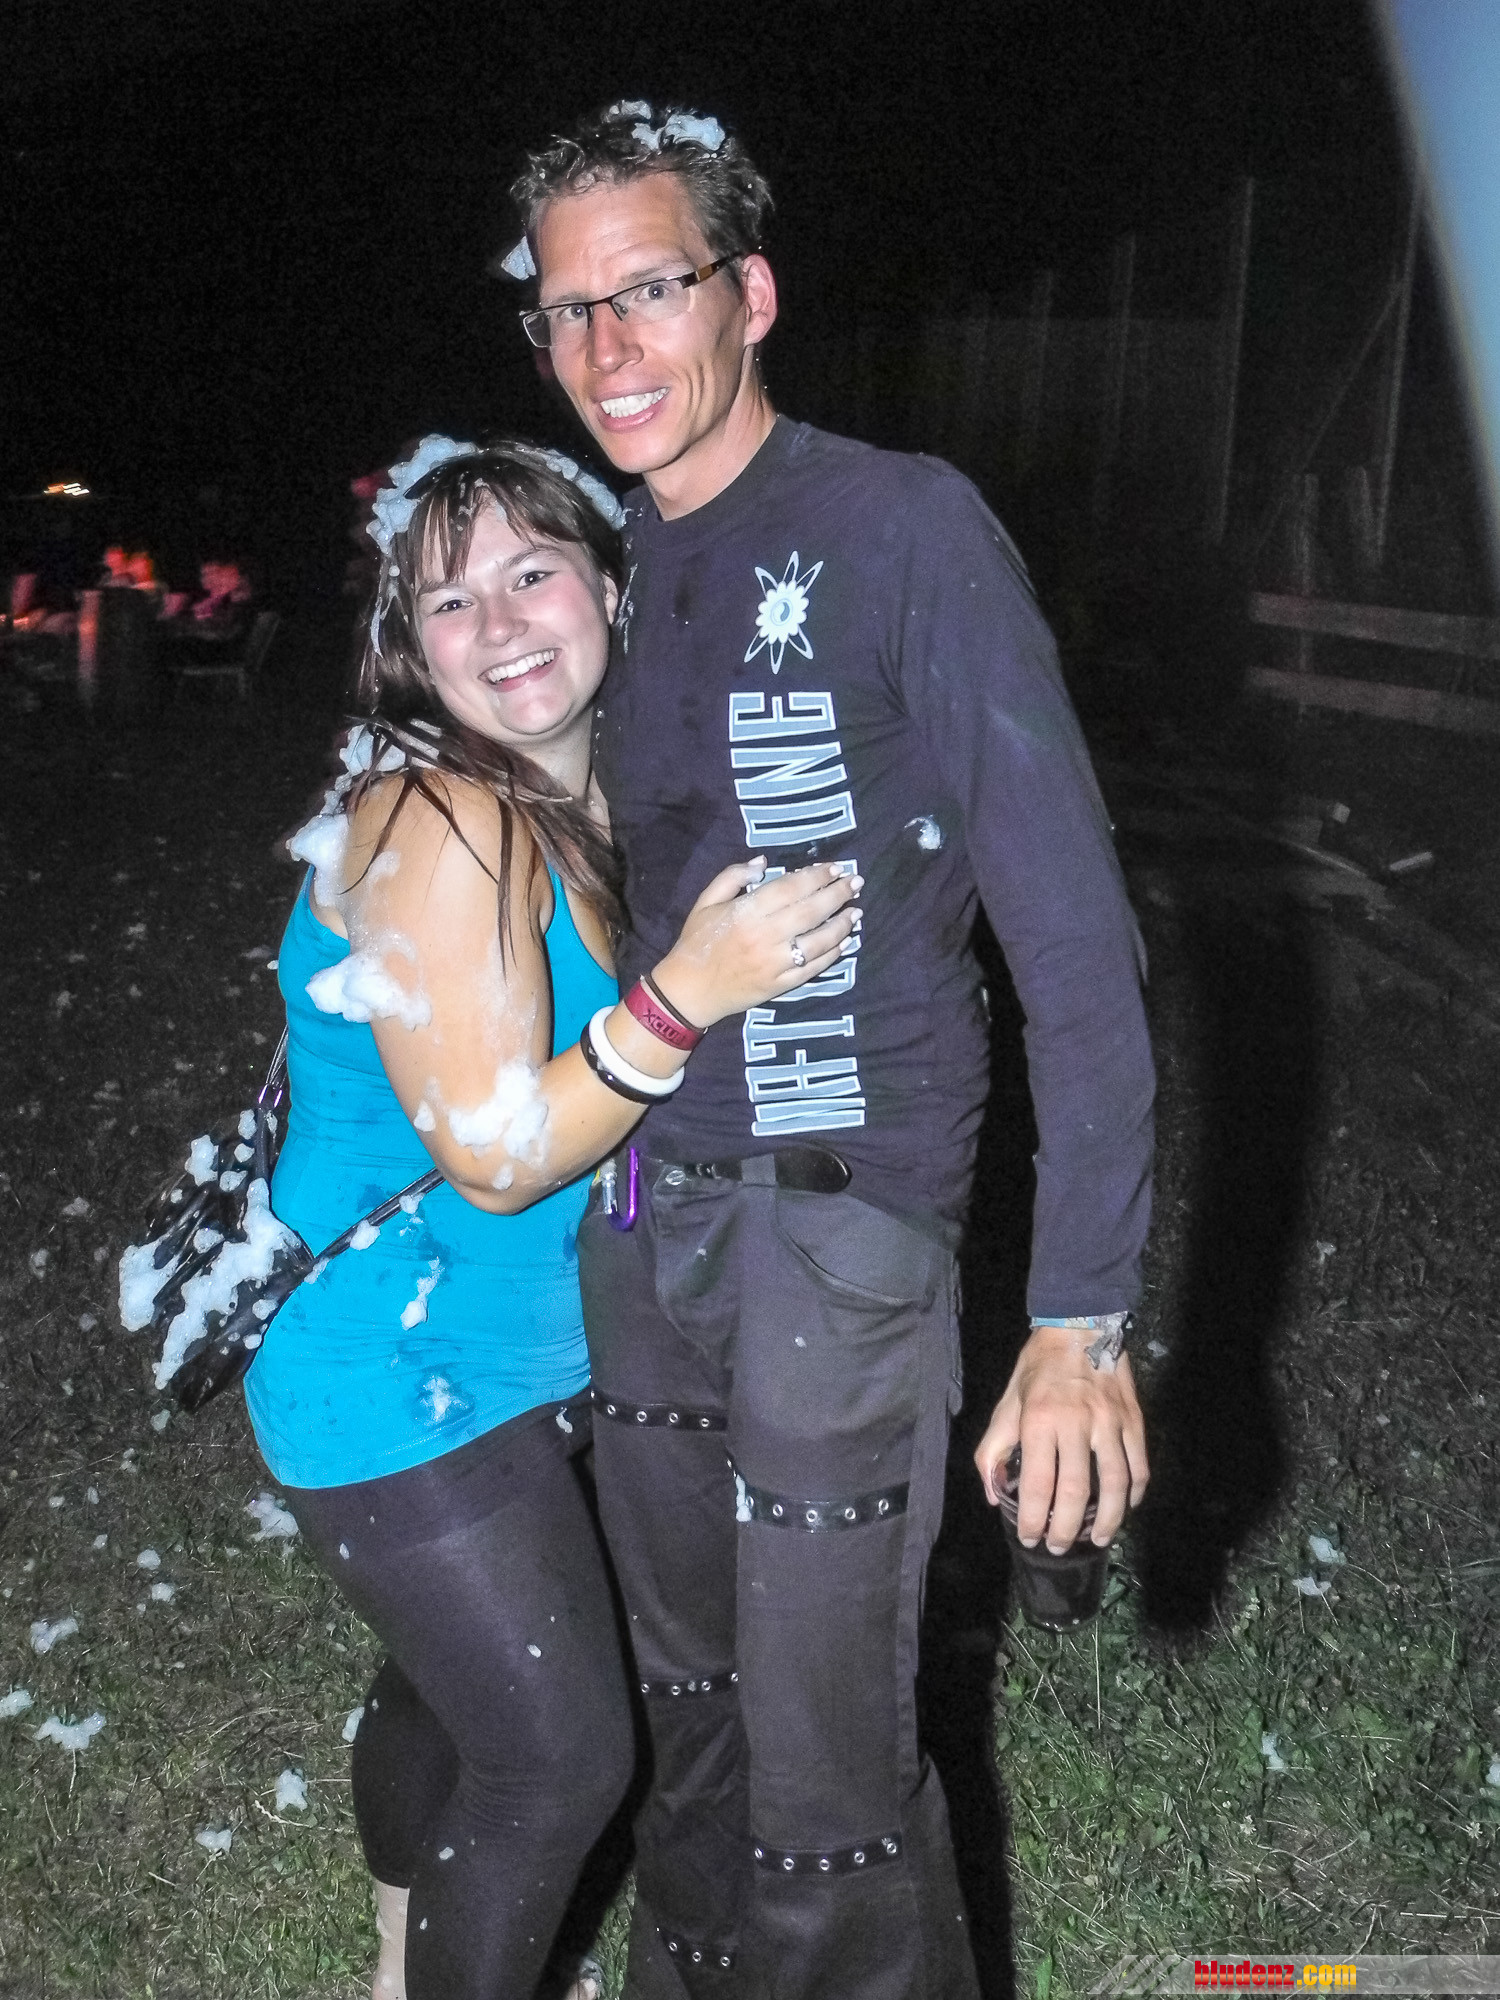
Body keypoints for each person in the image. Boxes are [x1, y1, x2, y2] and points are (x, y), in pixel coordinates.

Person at [499, 103, 1157, 1997]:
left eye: (650, 290)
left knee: (825, 1776)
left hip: (841, 1207)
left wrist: (1080, 1315)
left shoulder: (899, 527)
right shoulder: (612, 568)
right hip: (648, 1208)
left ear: (752, 295)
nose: (609, 347)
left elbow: (1073, 937)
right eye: (568, 312)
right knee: (687, 1717)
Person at [240, 435, 860, 2000]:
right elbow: (499, 1156)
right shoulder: (439, 820)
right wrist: (687, 993)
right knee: (560, 1756)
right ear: (409, 642)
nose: (502, 624)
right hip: (392, 1372)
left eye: (532, 571)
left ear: (607, 583)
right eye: (450, 599)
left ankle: (403, 1966)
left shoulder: (592, 793)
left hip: (523, 1356)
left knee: (448, 1694)